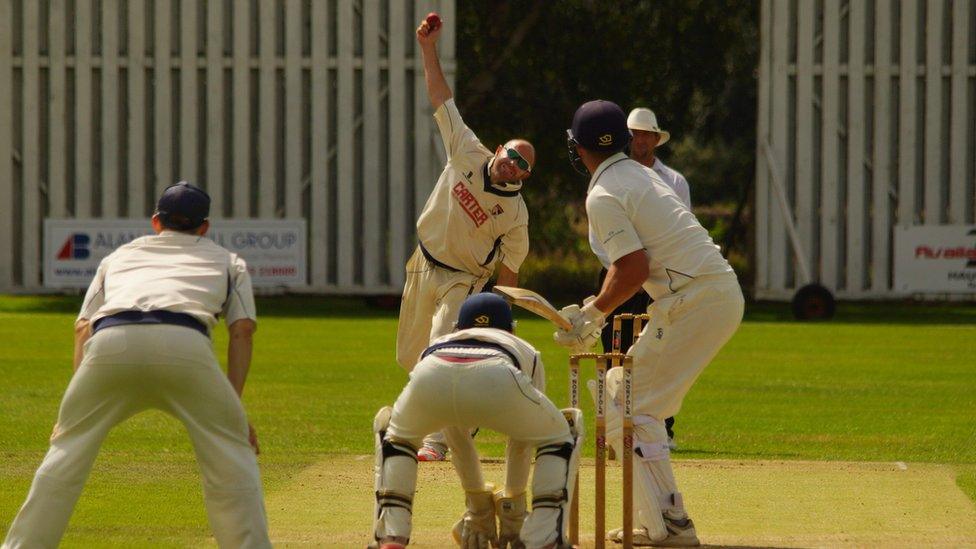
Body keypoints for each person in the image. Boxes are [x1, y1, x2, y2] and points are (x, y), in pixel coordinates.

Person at [2, 182, 271, 548]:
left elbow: (82, 327)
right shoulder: (227, 260)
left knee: (66, 453)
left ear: (155, 222)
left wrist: (73, 410)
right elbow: (242, 332)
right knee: (231, 455)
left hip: (111, 343)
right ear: (204, 227)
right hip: (185, 346)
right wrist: (234, 410)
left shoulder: (119, 256)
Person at [555, 100, 744, 546]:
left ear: (579, 149)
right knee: (629, 398)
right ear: (624, 139)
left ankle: (668, 526)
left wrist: (591, 316)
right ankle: (661, 517)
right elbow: (634, 266)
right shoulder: (640, 175)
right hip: (707, 293)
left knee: (626, 406)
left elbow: (633, 268)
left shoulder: (603, 193)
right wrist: (595, 307)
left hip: (694, 299)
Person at [396, 15, 534, 461]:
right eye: (511, 155)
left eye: (522, 166)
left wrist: (499, 323)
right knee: (410, 358)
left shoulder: (514, 214)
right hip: (422, 262)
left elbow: (509, 273)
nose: (512, 165)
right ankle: (457, 417)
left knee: (441, 345)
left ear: (524, 177)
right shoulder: (466, 149)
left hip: (463, 281)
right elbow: (441, 97)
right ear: (497, 150)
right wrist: (427, 47)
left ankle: (439, 439)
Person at [371, 293, 582, 549]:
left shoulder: (434, 345)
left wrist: (478, 506)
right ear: (512, 329)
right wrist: (513, 507)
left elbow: (456, 437)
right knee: (561, 432)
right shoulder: (526, 350)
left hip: (433, 370)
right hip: (497, 372)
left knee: (395, 438)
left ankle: (391, 536)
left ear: (458, 328)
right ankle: (544, 537)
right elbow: (521, 440)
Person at [596, 107, 693, 449]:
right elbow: (600, 235)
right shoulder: (612, 177)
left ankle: (661, 427)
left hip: (660, 279)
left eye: (646, 134)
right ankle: (612, 426)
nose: (640, 140)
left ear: (656, 139)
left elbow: (681, 231)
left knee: (661, 347)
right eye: (634, 134)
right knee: (614, 349)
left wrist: (651, 269)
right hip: (617, 270)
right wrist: (624, 265)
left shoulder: (675, 181)